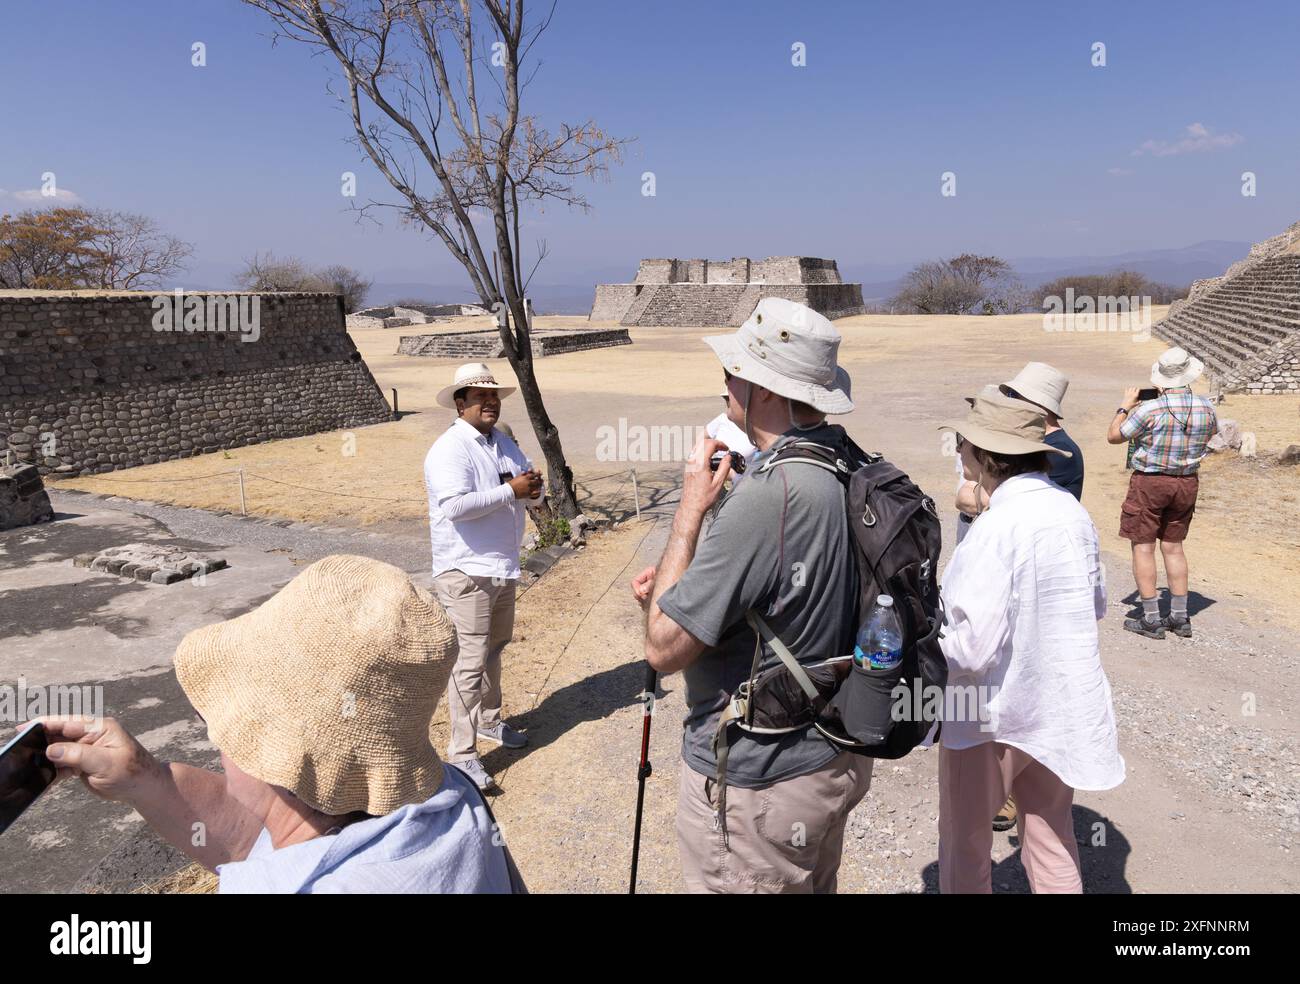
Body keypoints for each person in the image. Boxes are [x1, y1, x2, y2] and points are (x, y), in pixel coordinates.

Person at [40, 555, 525, 893]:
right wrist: (145, 781)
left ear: (274, 744)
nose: (209, 722)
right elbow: (263, 838)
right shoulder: (451, 797)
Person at [631, 297, 869, 894]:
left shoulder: (769, 494)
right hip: (830, 754)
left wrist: (692, 506)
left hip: (760, 777)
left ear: (763, 390)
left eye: (731, 374)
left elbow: (664, 647)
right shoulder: (846, 460)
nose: (725, 387)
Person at [937, 391, 1125, 893]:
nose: (959, 453)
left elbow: (972, 648)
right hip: (1057, 704)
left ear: (985, 454)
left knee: (965, 842)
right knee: (1051, 838)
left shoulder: (995, 526)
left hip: (987, 713)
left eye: (965, 444)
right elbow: (1095, 604)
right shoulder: (1071, 513)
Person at [425, 362, 542, 791]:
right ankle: (462, 753)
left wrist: (533, 488)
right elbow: (455, 506)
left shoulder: (503, 442)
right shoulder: (449, 449)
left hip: (501, 565)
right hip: (466, 571)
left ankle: (489, 720)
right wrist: (512, 490)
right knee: (469, 662)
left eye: (493, 396)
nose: (490, 402)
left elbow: (529, 487)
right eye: (480, 396)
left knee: (495, 648)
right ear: (461, 404)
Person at [1106, 346, 1218, 640]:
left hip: (1151, 482)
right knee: (1173, 546)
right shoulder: (1207, 406)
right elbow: (1211, 435)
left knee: (1143, 546)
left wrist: (1124, 406)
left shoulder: (1150, 408)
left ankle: (1152, 618)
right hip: (1187, 482)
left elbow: (1114, 437)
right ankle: (1180, 617)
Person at [1000, 362, 1084, 500]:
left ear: (1039, 403)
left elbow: (1017, 500)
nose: (1009, 401)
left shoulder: (1059, 451)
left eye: (1014, 395)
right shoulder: (1030, 439)